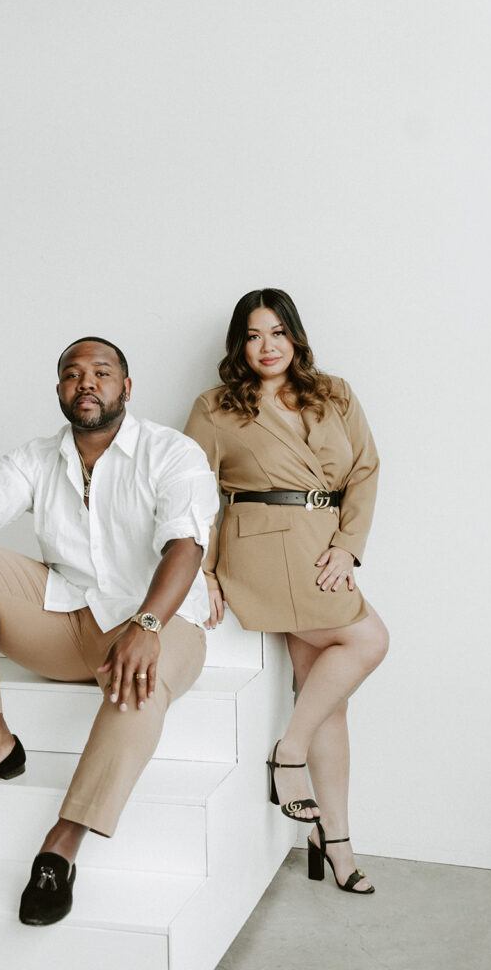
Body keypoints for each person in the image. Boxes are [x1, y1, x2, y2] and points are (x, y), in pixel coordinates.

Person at [0, 336, 218, 925]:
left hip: (160, 624)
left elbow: (186, 545)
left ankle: (61, 845)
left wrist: (148, 621)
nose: (86, 382)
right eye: (71, 373)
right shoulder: (38, 457)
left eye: (101, 372)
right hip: (69, 622)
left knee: (145, 675)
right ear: (59, 389)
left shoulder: (172, 452)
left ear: (126, 388)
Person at [184, 290, 389, 895]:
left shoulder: (335, 393)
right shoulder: (215, 408)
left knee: (329, 697)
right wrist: (203, 572)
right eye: (252, 335)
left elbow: (366, 470)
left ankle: (334, 840)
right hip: (260, 547)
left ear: (295, 336)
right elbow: (189, 494)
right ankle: (288, 754)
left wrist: (349, 546)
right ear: (238, 344)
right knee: (368, 638)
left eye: (277, 332)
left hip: (324, 549)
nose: (266, 346)